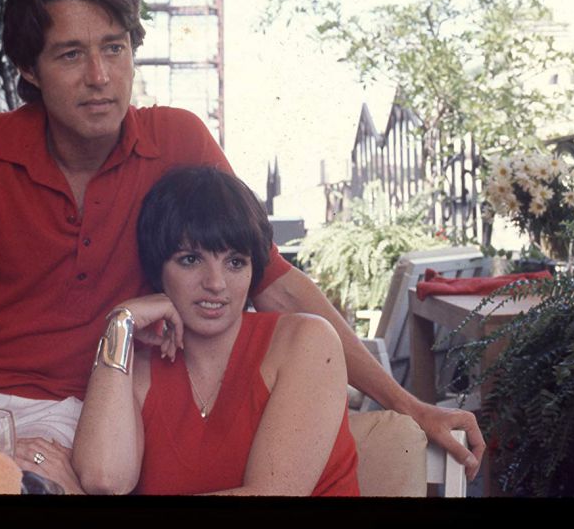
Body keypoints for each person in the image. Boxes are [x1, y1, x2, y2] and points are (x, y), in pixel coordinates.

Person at [0, 0, 484, 487]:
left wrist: (408, 404)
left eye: (114, 48)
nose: (100, 77)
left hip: (98, 407)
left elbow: (273, 280)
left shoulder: (178, 141)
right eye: (71, 55)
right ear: (29, 70)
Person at [70, 166, 360, 495]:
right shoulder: (137, 369)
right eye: (190, 260)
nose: (216, 283)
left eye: (235, 262)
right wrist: (120, 323)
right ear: (157, 268)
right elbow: (103, 479)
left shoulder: (307, 341)